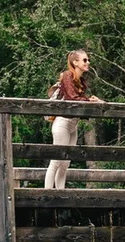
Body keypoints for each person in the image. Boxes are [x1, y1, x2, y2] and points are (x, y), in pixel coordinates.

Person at [47, 49, 102, 189]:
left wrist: (91, 100)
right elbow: (72, 97)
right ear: (75, 62)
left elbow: (80, 101)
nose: (88, 62)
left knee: (65, 163)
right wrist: (89, 101)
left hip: (73, 124)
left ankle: (60, 192)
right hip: (62, 123)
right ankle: (46, 194)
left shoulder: (81, 81)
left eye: (88, 60)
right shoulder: (67, 75)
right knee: (56, 160)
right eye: (85, 60)